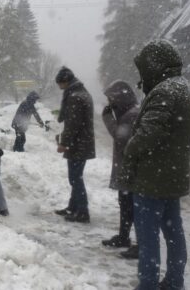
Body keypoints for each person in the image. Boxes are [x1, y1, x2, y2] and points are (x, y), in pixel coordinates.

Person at [118, 40, 190, 290]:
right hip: (172, 177)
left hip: (152, 179)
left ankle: (148, 284)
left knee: (148, 236)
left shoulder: (165, 91)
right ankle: (174, 282)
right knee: (174, 233)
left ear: (154, 65)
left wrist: (130, 148)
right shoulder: (185, 88)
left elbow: (147, 135)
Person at [100, 80, 139, 259]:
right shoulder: (127, 113)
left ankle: (140, 244)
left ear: (120, 99)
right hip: (125, 169)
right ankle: (124, 237)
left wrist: (107, 118)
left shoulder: (131, 115)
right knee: (125, 205)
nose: (109, 104)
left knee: (133, 207)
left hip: (130, 171)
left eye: (111, 100)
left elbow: (120, 137)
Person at [54, 67, 95, 223]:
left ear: (65, 81)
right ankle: (73, 207)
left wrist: (64, 143)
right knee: (76, 176)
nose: (59, 87)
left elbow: (73, 124)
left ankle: (83, 212)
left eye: (60, 83)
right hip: (82, 142)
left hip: (78, 143)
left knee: (75, 178)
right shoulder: (82, 93)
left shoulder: (75, 97)